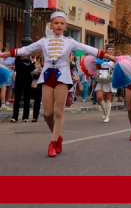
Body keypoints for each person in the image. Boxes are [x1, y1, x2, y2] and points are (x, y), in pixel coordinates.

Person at [0, 12, 113, 157]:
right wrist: (3, 55)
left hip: (62, 77)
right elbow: (24, 50)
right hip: (47, 77)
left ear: (65, 26)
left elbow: (89, 49)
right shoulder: (43, 41)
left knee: (59, 112)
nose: (59, 26)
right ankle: (57, 135)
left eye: (62, 23)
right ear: (51, 25)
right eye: (56, 23)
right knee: (47, 114)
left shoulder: (70, 42)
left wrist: (111, 57)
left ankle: (52, 143)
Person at [10, 54, 35, 122]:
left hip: (28, 82)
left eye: (26, 54)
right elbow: (23, 68)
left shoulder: (29, 61)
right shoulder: (18, 61)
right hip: (19, 82)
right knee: (17, 99)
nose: (25, 55)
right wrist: (32, 65)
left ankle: (25, 116)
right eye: (24, 53)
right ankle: (15, 117)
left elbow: (32, 69)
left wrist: (32, 63)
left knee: (27, 99)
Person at [95, 45, 116, 123]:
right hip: (101, 78)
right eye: (109, 49)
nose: (111, 51)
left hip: (110, 78)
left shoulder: (115, 60)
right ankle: (104, 110)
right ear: (106, 50)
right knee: (99, 97)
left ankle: (107, 115)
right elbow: (96, 66)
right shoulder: (101, 59)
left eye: (112, 50)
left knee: (108, 98)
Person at [30, 56, 44, 122]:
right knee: (37, 101)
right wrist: (36, 71)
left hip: (46, 85)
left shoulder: (49, 66)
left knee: (47, 101)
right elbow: (33, 75)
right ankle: (35, 117)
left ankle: (47, 115)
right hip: (38, 85)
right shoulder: (37, 66)